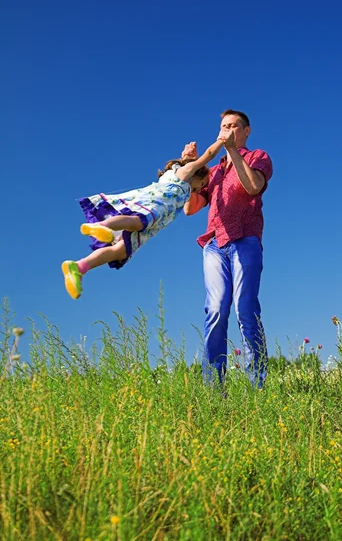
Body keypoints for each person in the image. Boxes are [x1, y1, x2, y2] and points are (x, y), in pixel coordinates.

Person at [61, 136, 226, 299]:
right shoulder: (184, 173)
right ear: (196, 173)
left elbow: (189, 194)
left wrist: (186, 158)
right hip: (155, 207)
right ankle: (105, 226)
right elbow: (209, 154)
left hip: (155, 221)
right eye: (202, 183)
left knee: (121, 251)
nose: (200, 189)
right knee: (138, 222)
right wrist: (221, 141)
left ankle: (79, 267)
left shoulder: (177, 175)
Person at [182, 110, 273, 387]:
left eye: (234, 126)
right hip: (214, 245)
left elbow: (253, 186)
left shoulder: (257, 156)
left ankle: (258, 385)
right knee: (215, 310)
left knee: (245, 309)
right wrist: (189, 169)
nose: (228, 130)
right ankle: (213, 389)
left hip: (245, 239)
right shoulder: (214, 171)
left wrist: (233, 151)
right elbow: (190, 208)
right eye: (224, 126)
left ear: (246, 131)